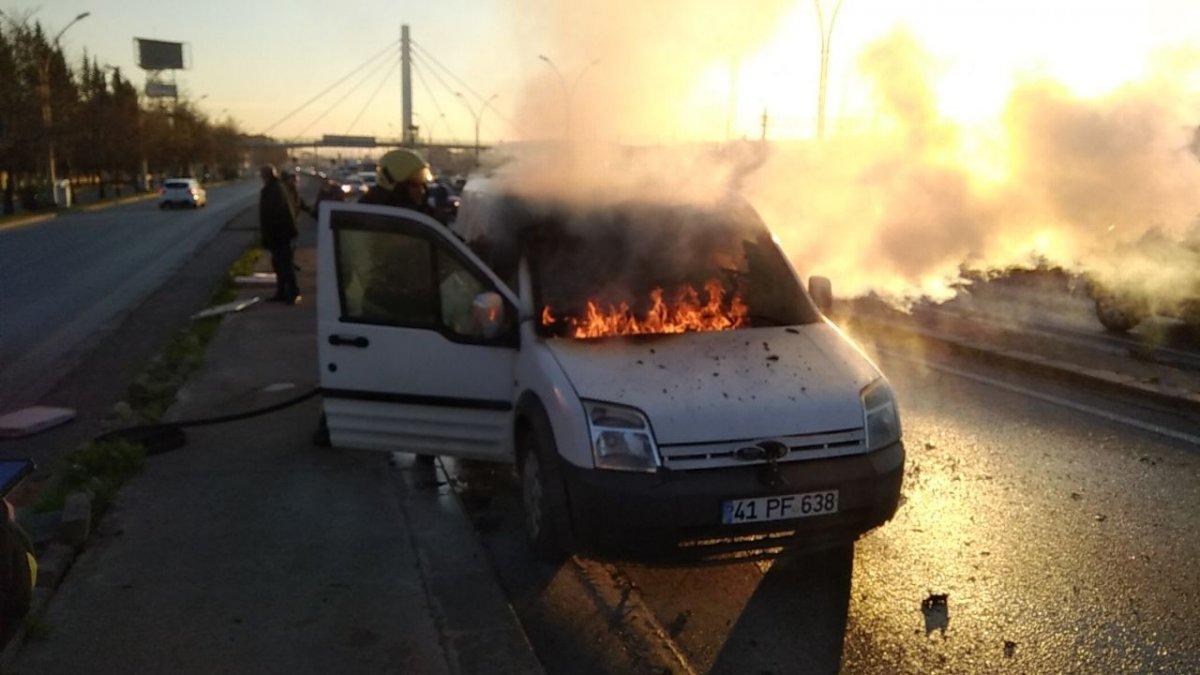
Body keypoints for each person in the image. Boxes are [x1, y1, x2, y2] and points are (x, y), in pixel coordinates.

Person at [359, 149, 441, 222]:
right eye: (414, 184)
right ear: (399, 189)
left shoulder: (424, 217)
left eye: (422, 185)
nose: (421, 190)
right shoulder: (375, 218)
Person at [258, 165, 300, 304]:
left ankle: (293, 293)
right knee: (279, 263)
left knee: (284, 264)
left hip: (279, 233)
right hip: (281, 233)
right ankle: (282, 292)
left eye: (262, 175)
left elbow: (272, 215)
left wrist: (269, 235)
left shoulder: (272, 190)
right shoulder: (278, 188)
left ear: (266, 176)